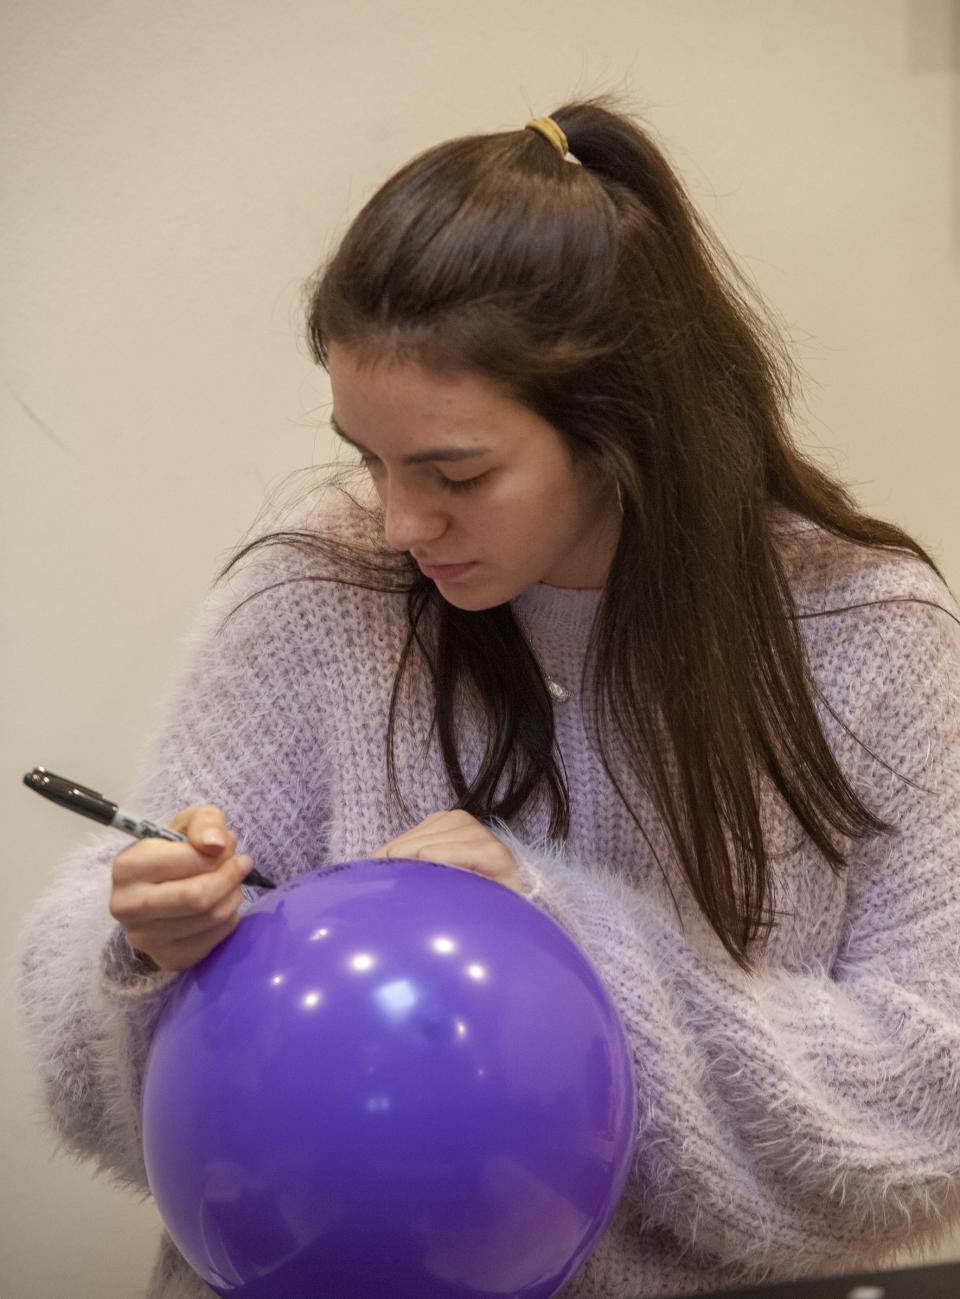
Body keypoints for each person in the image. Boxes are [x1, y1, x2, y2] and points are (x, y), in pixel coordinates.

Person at [19, 100, 960, 1298]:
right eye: (368, 457)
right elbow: (99, 1079)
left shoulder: (865, 632)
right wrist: (148, 942)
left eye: (456, 473)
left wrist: (563, 942)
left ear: (623, 429)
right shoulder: (322, 586)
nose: (403, 524)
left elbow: (931, 1109)